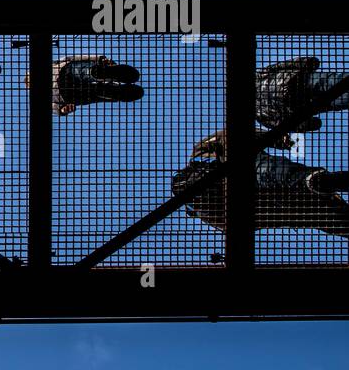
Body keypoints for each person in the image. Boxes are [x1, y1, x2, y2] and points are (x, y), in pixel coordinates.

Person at [173, 129, 349, 239]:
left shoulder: (204, 212)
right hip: (254, 175)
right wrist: (282, 141)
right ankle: (312, 180)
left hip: (281, 208)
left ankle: (315, 184)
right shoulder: (198, 154)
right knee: (268, 171)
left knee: (323, 217)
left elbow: (230, 227)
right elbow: (227, 135)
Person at [255, 56, 349, 133]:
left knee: (337, 93)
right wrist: (304, 62)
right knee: (334, 83)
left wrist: (308, 124)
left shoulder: (260, 116)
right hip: (296, 83)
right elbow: (278, 67)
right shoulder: (259, 116)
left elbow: (284, 125)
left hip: (302, 97)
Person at [24, 55, 143, 116]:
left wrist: (61, 110)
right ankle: (101, 75)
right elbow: (70, 58)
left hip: (66, 92)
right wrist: (97, 58)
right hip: (65, 76)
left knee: (95, 92)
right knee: (88, 74)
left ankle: (113, 90)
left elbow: (52, 108)